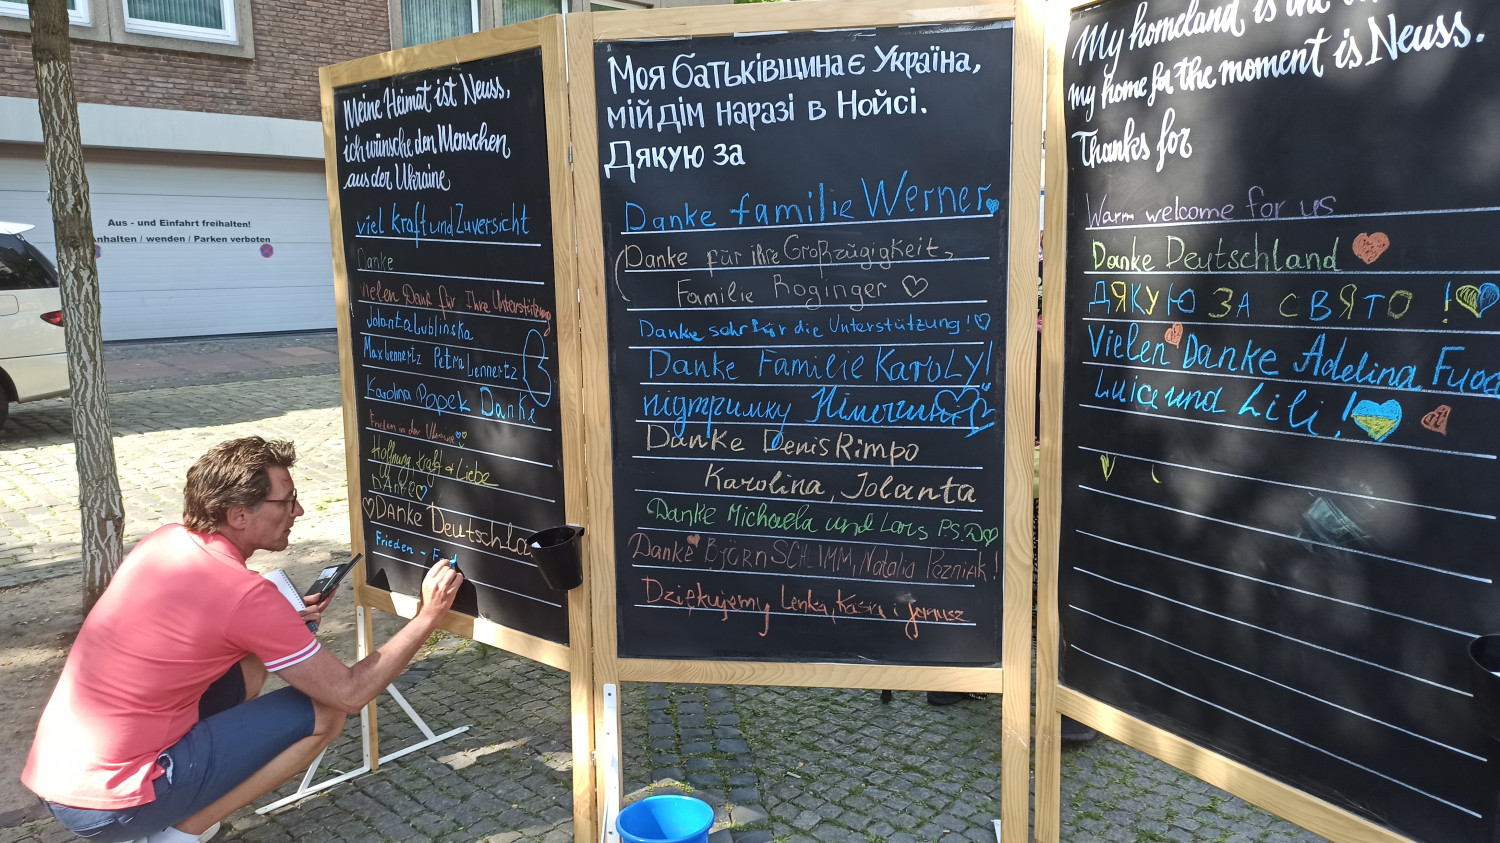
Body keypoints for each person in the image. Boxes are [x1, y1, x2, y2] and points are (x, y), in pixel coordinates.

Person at [22, 436, 464, 842]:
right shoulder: (247, 596)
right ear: (238, 515)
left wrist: (280, 623)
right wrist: (428, 616)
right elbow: (349, 693)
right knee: (326, 711)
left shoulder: (165, 541)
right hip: (113, 802)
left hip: (57, 774)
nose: (298, 511)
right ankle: (179, 834)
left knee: (248, 668)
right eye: (287, 501)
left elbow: (208, 626)